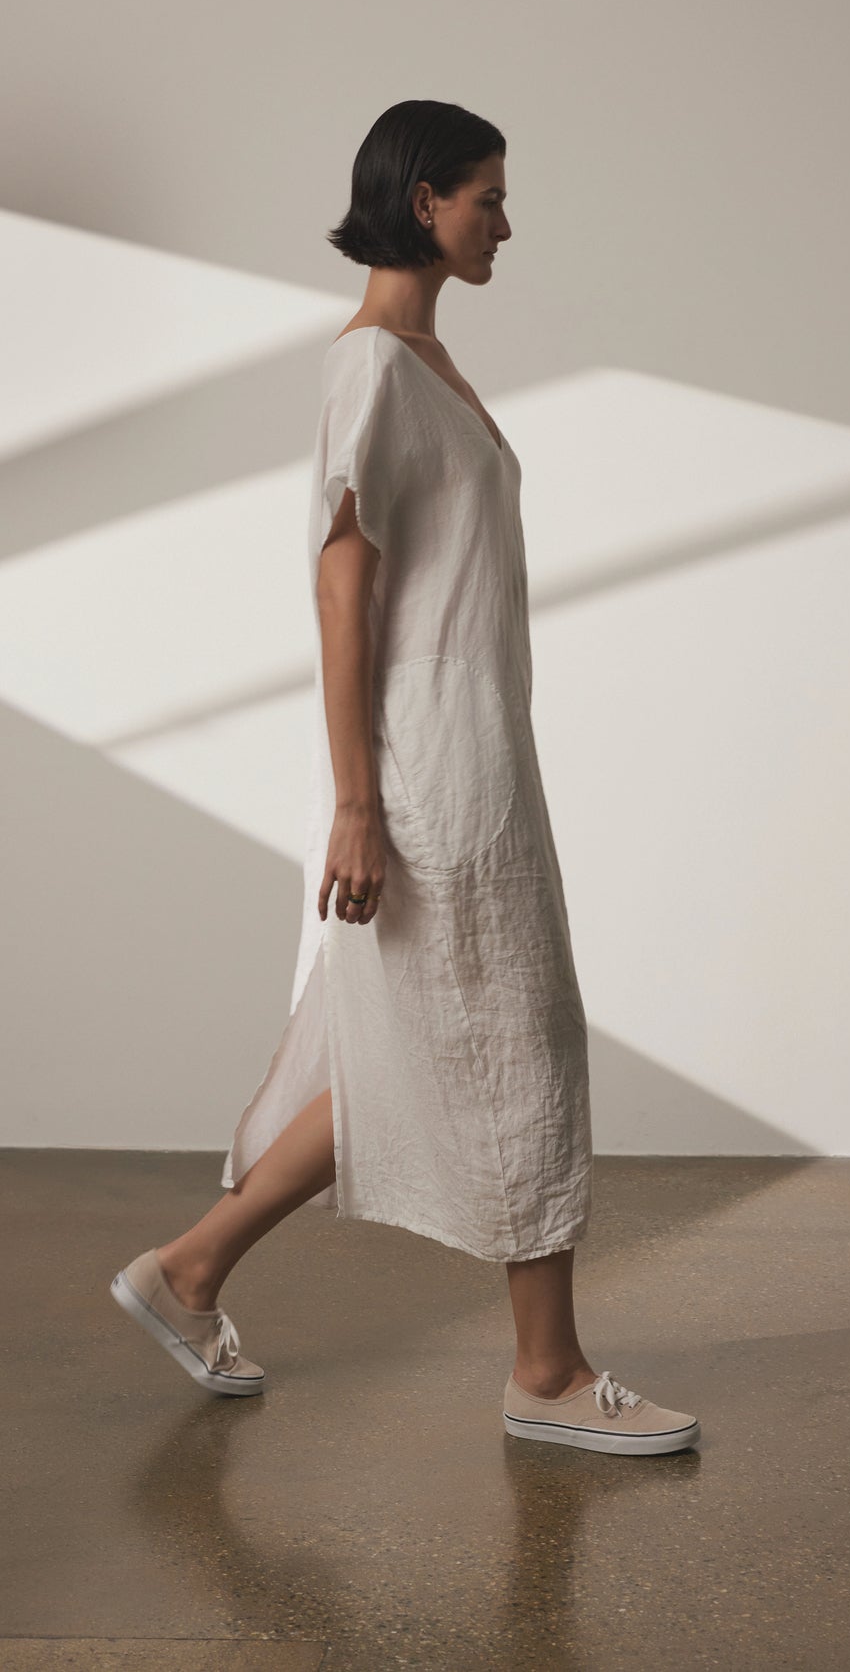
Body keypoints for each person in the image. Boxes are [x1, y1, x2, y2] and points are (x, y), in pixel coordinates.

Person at [110, 99, 700, 1456]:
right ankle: (545, 1375)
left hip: (476, 747)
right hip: (436, 769)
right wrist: (359, 802)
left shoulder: (420, 361)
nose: (506, 221)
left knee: (418, 1045)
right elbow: (341, 585)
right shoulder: (374, 366)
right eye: (489, 196)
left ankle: (188, 1273)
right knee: (520, 1042)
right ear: (424, 199)